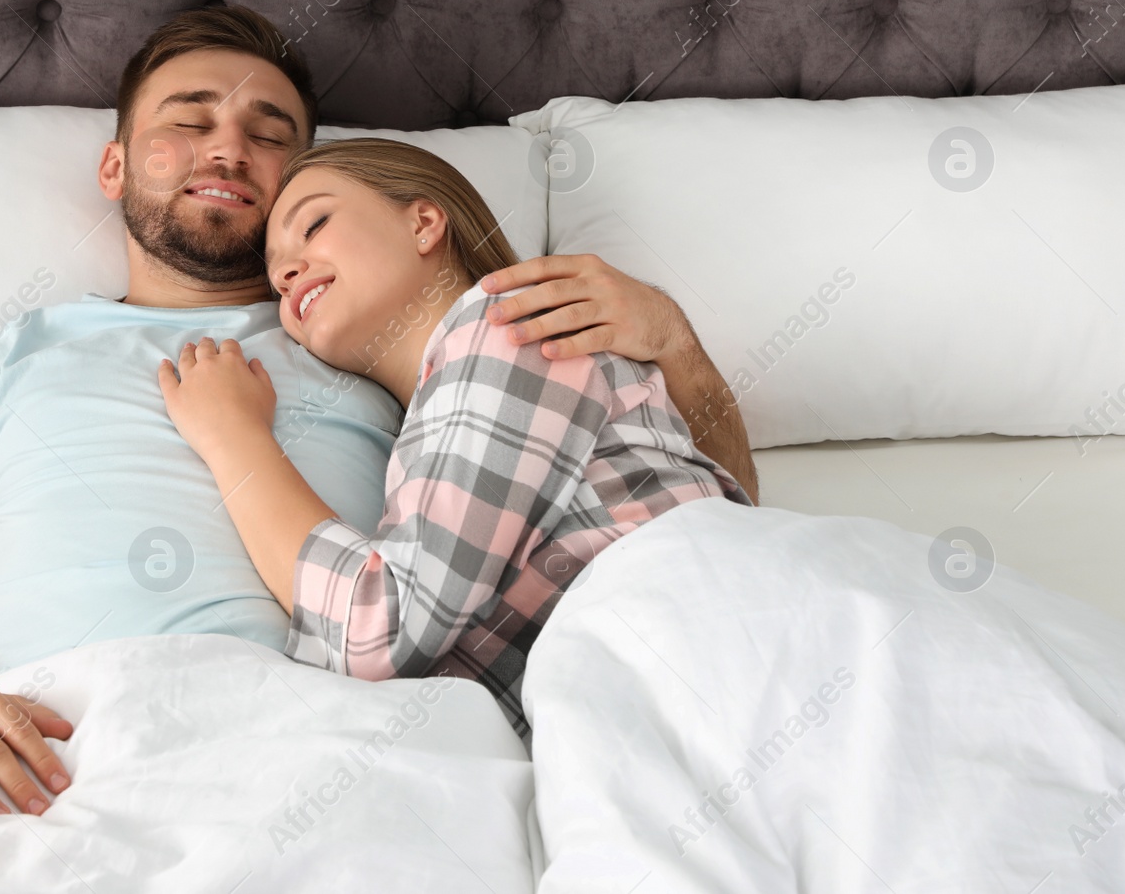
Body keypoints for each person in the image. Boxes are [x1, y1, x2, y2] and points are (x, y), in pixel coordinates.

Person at [0, 6, 758, 817]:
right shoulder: (8, 358)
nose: (228, 147)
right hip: (64, 755)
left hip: (323, 753)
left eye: (269, 134)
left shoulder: (382, 335)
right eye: (188, 118)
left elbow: (691, 510)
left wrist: (678, 350)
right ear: (113, 164)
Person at [158, 138, 754, 737]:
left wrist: (234, 438)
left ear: (423, 222)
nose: (285, 275)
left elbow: (380, 630)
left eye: (313, 224)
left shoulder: (509, 325)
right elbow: (736, 512)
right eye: (274, 279)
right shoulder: (436, 417)